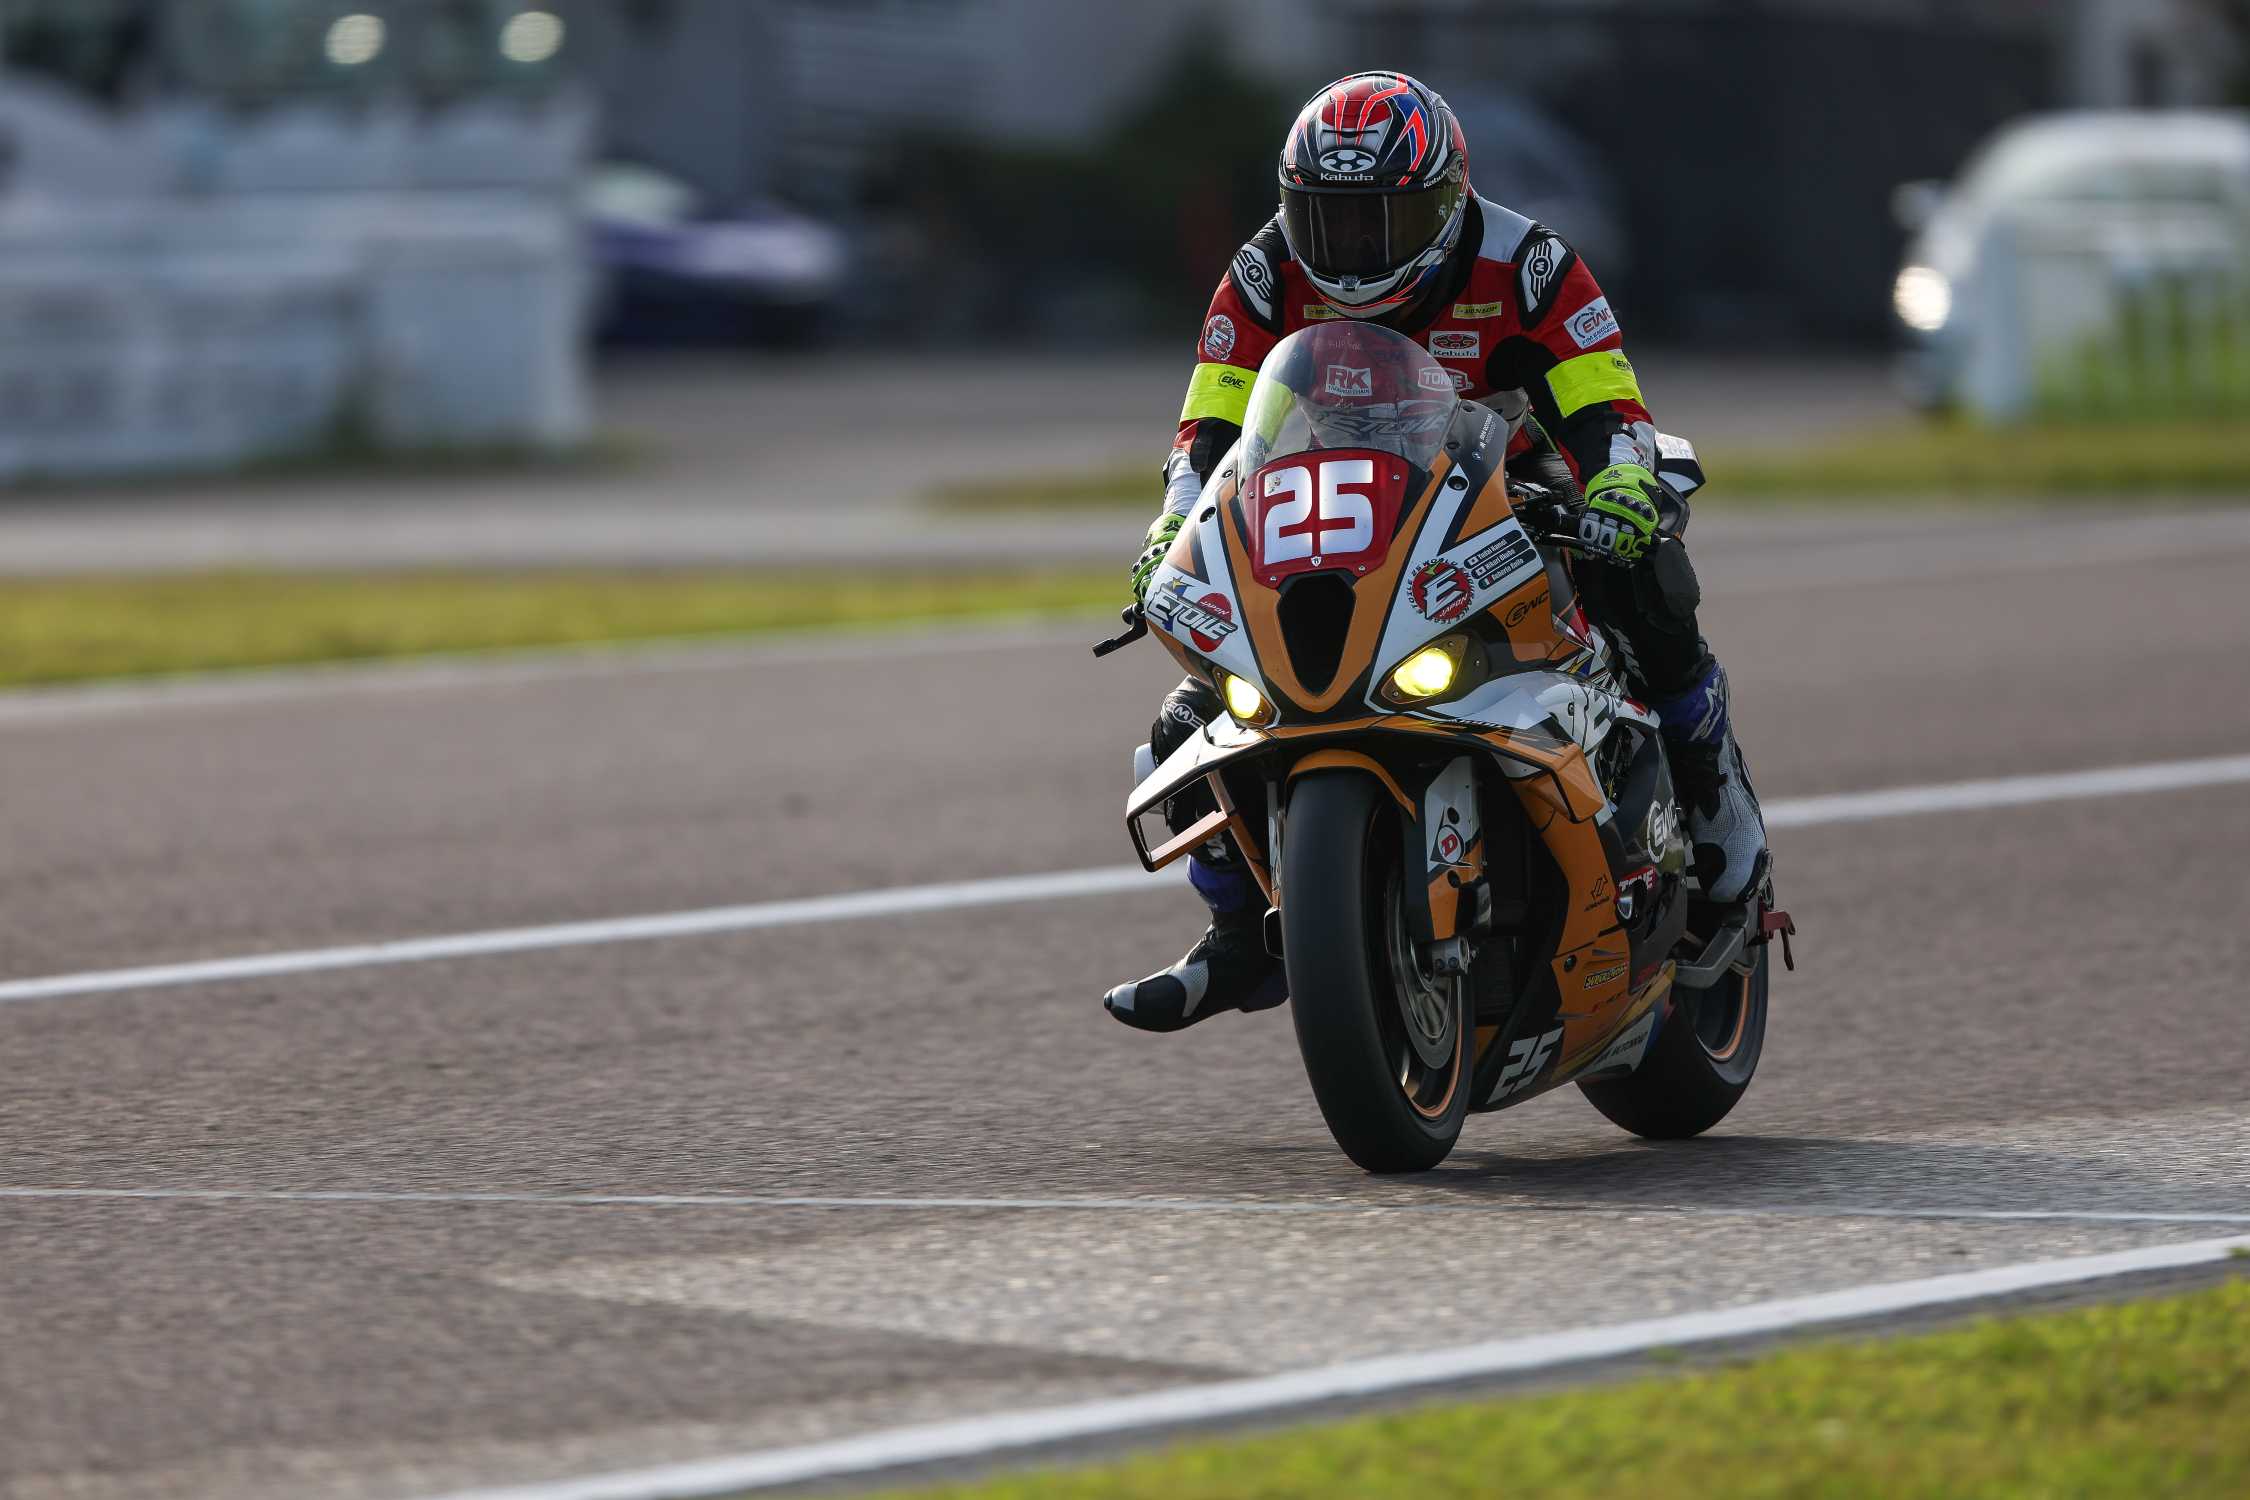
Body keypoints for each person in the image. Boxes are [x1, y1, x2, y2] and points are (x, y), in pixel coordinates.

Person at [1104, 70, 1768, 1034]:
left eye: (1382, 220)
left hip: (1516, 482)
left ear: (1448, 201)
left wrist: (1618, 485)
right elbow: (1206, 431)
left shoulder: (1526, 263)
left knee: (1644, 577)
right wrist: (1172, 526)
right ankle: (1241, 928)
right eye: (1328, 220)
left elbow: (1605, 402)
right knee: (1195, 710)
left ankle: (1718, 810)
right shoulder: (1263, 273)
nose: (1352, 249)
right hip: (1331, 502)